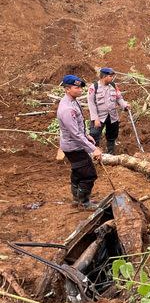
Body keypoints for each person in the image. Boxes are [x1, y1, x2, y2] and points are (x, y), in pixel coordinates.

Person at [57, 74, 102, 209]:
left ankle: (77, 199)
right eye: (76, 88)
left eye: (80, 87)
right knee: (89, 174)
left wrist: (86, 134)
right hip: (73, 147)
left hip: (73, 143)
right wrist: (93, 149)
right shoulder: (67, 109)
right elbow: (75, 134)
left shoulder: (72, 101)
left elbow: (78, 127)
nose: (80, 90)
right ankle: (84, 202)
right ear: (67, 89)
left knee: (78, 171)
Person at [87, 67, 130, 155]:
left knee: (112, 136)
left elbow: (119, 98)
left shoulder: (113, 86)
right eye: (110, 76)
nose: (112, 78)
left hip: (112, 116)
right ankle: (94, 154)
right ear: (104, 76)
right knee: (94, 135)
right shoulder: (94, 87)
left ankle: (110, 153)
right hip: (99, 116)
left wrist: (125, 106)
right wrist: (95, 119)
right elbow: (91, 104)